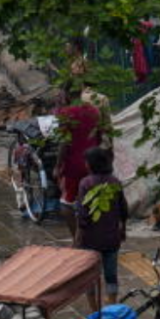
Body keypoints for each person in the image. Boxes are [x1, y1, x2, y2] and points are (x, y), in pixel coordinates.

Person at [75, 147, 128, 309]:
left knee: (90, 276)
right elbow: (123, 209)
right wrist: (123, 229)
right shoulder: (114, 182)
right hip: (111, 238)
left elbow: (83, 214)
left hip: (90, 239)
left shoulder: (85, 183)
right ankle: (111, 305)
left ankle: (94, 310)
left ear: (91, 164)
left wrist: (78, 236)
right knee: (111, 275)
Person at [53, 84, 104, 241]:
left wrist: (57, 165)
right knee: (93, 201)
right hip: (93, 163)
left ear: (66, 95)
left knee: (66, 204)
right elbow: (100, 136)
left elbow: (64, 142)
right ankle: (93, 235)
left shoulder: (65, 113)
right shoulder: (95, 111)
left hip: (74, 164)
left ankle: (78, 238)